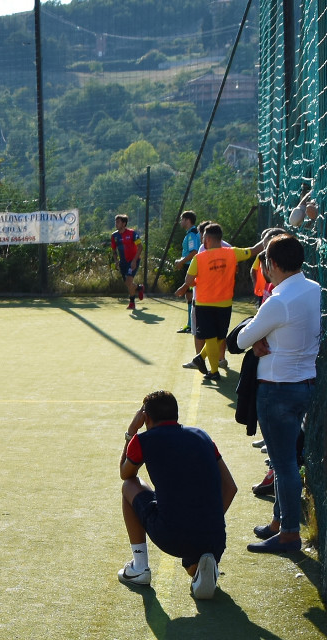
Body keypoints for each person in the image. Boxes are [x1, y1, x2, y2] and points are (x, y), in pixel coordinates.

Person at [236, 233, 320, 554]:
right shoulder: (313, 289)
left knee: (283, 465)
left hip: (277, 389)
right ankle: (279, 522)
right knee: (287, 461)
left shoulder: (277, 301)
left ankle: (288, 535)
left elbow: (242, 339)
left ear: (271, 264)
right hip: (305, 384)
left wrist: (260, 336)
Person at [117, 390, 237, 599]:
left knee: (129, 485)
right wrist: (209, 521)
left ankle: (140, 567)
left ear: (145, 417)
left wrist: (131, 432)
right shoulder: (203, 436)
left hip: (172, 536)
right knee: (193, 561)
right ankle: (199, 569)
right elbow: (231, 487)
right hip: (215, 535)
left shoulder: (142, 440)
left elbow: (125, 474)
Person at [175, 223, 263, 381]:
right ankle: (202, 360)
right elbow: (254, 250)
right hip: (225, 303)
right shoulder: (232, 253)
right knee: (219, 336)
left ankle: (213, 370)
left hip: (204, 303)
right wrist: (269, 238)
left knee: (210, 337)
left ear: (208, 239)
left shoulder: (199, 258)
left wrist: (199, 281)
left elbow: (189, 280)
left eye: (203, 238)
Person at [111, 214, 144, 310]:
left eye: (118, 222)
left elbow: (140, 247)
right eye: (115, 222)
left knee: (129, 281)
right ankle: (139, 288)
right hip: (123, 262)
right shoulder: (114, 236)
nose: (116, 224)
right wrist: (116, 261)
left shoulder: (132, 233)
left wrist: (134, 261)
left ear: (124, 224)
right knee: (127, 284)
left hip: (133, 261)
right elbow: (114, 250)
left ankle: (132, 303)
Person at [173, 211, 198, 332]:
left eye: (182, 219)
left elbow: (194, 252)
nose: (180, 222)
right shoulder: (191, 233)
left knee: (191, 296)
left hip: (190, 267)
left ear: (187, 220)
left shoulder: (191, 235)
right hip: (189, 266)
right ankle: (190, 324)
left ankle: (191, 325)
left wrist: (181, 262)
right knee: (189, 295)